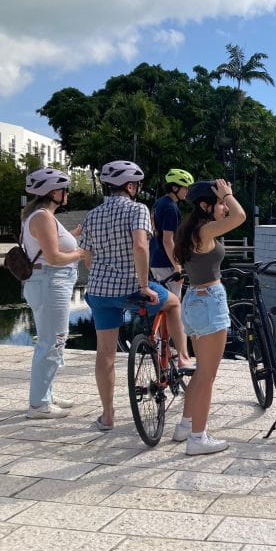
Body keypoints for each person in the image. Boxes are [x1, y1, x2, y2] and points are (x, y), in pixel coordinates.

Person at [79, 160, 192, 431]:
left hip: (99, 291)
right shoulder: (138, 209)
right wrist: (143, 285)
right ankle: (184, 357)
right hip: (132, 286)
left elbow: (86, 256)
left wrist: (104, 271)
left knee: (105, 354)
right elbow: (141, 246)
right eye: (137, 185)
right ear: (130, 186)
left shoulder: (92, 215)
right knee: (174, 304)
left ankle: (107, 416)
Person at [172, 179, 245, 455]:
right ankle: (198, 438)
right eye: (220, 203)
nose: (224, 207)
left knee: (200, 372)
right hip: (209, 302)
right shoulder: (204, 231)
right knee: (207, 375)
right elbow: (240, 216)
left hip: (194, 301)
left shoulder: (191, 229)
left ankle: (185, 425)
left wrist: (224, 197)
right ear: (206, 205)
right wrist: (228, 193)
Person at [20, 168, 85, 419]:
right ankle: (38, 405)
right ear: (53, 192)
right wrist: (80, 254)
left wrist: (73, 236)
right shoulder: (43, 217)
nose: (67, 194)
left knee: (52, 339)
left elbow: (52, 246)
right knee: (52, 341)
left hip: (48, 282)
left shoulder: (39, 216)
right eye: (64, 189)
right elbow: (54, 257)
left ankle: (45, 393)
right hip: (50, 282)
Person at [150, 168, 194, 296]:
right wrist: (177, 265)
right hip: (166, 262)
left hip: (155, 258)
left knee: (163, 303)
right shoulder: (171, 208)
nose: (187, 191)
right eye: (185, 187)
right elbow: (167, 239)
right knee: (174, 305)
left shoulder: (159, 203)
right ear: (175, 188)